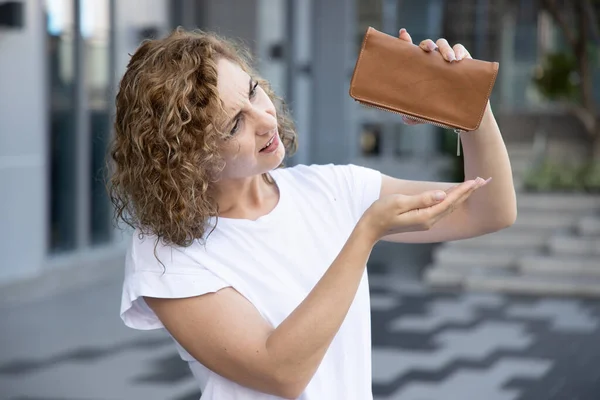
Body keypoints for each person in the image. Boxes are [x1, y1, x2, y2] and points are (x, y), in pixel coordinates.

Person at [110, 26, 516, 400]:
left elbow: (488, 210)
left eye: (253, 92)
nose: (266, 120)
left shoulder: (331, 190)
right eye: (235, 125)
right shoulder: (165, 253)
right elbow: (280, 372)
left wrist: (470, 107)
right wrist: (365, 234)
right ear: (186, 156)